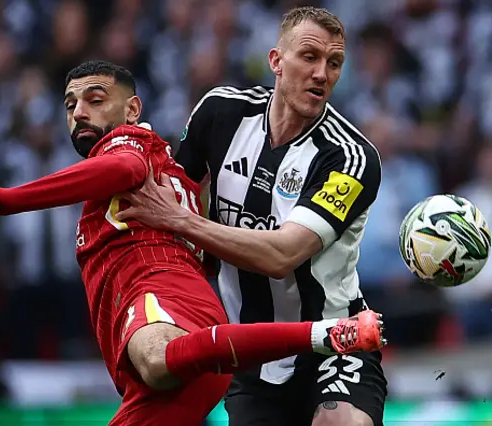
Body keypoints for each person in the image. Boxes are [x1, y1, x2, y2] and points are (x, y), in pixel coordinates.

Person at [0, 60, 385, 426]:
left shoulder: (128, 143)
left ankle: (323, 333)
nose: (80, 112)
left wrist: (10, 199)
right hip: (209, 345)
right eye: (71, 105)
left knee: (156, 359)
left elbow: (123, 169)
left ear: (132, 109)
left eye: (95, 99)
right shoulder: (173, 166)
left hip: (159, 293)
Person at [115, 7, 387, 426]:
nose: (322, 73)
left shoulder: (349, 157)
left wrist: (182, 222)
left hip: (335, 343)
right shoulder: (220, 113)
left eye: (334, 64)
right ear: (276, 61)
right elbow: (168, 198)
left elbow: (281, 257)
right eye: (309, 57)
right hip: (251, 354)